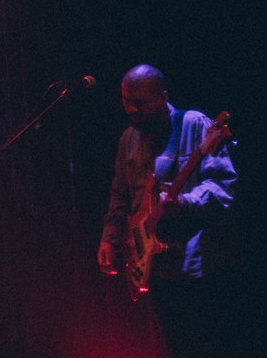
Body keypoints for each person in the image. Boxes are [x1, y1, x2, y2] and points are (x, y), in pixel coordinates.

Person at [96, 64, 237, 358]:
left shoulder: (194, 125)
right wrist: (110, 237)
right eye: (125, 101)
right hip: (156, 269)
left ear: (162, 97)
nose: (131, 109)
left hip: (198, 263)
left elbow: (222, 186)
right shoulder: (128, 139)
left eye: (139, 103)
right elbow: (120, 195)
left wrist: (185, 203)